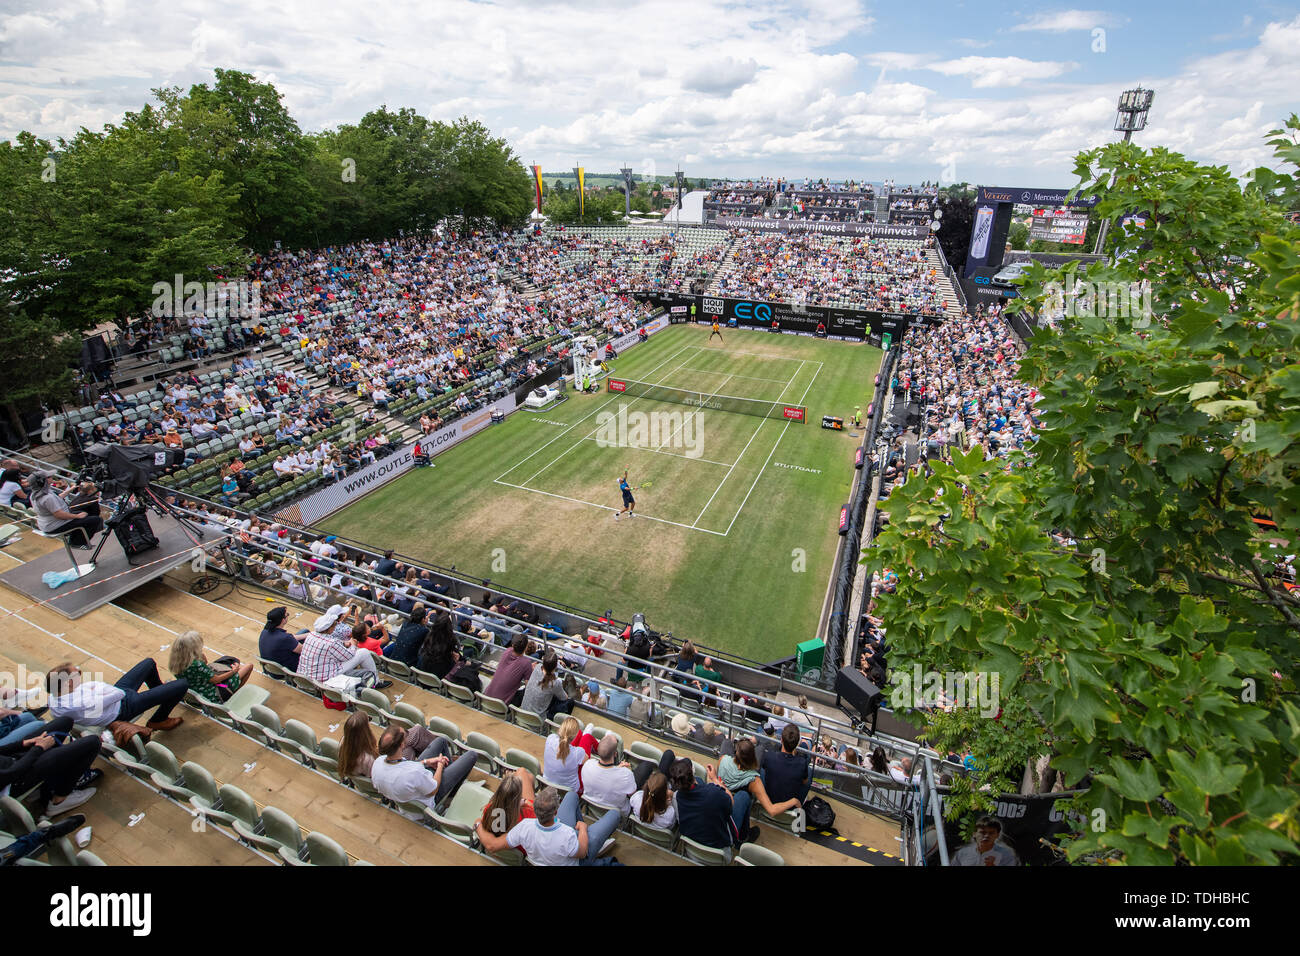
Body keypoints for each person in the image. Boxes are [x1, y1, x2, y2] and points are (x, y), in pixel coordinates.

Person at [474, 785, 620, 867]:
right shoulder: (566, 834)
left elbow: (492, 845)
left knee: (571, 796)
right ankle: (593, 847)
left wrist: (478, 825)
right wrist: (582, 828)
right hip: (578, 857)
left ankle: (592, 844)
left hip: (555, 847)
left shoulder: (524, 826)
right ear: (555, 812)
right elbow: (581, 853)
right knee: (615, 814)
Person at [46, 659, 187, 739]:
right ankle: (158, 720)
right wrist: (98, 689)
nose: (81, 676)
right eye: (78, 674)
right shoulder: (78, 704)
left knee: (149, 663)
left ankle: (161, 694)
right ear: (68, 683)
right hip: (122, 709)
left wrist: (98, 690)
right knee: (182, 684)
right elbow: (118, 694)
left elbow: (103, 690)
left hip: (113, 699)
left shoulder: (55, 697)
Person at [0, 715, 103, 819]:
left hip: (13, 759)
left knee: (65, 721)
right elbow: (11, 774)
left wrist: (24, 743)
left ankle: (49, 779)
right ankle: (59, 800)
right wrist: (39, 748)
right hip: (17, 781)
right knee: (93, 742)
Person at [369, 724, 476, 814]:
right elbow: (433, 790)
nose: (408, 734)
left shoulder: (377, 763)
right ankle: (452, 791)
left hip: (410, 789)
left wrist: (426, 762)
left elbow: (404, 766)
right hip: (429, 799)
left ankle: (451, 779)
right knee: (472, 755)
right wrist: (440, 766)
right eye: (405, 735)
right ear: (402, 745)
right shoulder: (414, 771)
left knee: (441, 741)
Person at [719, 737, 802, 840]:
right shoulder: (754, 780)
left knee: (727, 741)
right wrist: (793, 801)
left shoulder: (723, 759)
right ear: (753, 757)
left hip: (725, 800)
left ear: (736, 753)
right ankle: (744, 836)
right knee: (761, 749)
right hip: (742, 801)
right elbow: (772, 810)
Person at [670, 758, 740, 861]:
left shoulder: (676, 797)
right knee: (743, 796)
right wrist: (715, 779)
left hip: (692, 851)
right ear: (692, 773)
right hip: (719, 855)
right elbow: (731, 801)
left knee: (700, 782)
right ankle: (741, 839)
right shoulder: (714, 793)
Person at [296, 613, 388, 689]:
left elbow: (329, 642)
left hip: (305, 677)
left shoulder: (311, 635)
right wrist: (353, 645)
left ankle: (372, 680)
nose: (335, 626)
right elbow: (349, 655)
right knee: (364, 652)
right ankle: (375, 681)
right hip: (323, 678)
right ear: (329, 628)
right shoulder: (331, 643)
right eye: (334, 625)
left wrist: (344, 643)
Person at [166, 630, 253, 704]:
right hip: (213, 693)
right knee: (248, 666)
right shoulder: (196, 664)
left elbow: (205, 665)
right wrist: (234, 671)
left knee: (230, 667)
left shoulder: (175, 662)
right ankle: (233, 696)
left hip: (194, 692)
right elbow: (216, 680)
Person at [28, 472, 103, 549]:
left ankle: (75, 538)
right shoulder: (47, 497)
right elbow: (59, 515)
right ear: (43, 481)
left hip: (48, 524)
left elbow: (58, 498)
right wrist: (77, 516)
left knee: (83, 514)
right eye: (49, 477)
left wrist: (72, 488)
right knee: (95, 520)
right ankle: (77, 543)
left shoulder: (36, 494)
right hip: (56, 525)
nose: (52, 477)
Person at [478, 767, 536, 844]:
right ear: (518, 799)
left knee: (523, 774)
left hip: (502, 847)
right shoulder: (528, 814)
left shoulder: (489, 809)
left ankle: (510, 781)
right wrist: (526, 803)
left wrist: (477, 823)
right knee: (526, 774)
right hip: (519, 847)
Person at [761, 723, 812, 805]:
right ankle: (799, 803)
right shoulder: (802, 763)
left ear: (781, 740)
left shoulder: (769, 756)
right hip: (790, 805)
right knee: (808, 771)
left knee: (763, 770)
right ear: (797, 744)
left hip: (768, 800)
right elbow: (805, 782)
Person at [541, 717, 595, 792]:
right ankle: (586, 735)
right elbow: (586, 759)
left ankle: (585, 735)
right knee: (586, 739)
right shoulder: (577, 753)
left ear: (560, 729)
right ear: (574, 737)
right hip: (568, 791)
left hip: (547, 783)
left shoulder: (550, 738)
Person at [481, 632, 535, 706]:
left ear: (513, 645)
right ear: (526, 647)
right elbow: (528, 687)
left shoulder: (507, 651)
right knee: (524, 692)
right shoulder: (526, 663)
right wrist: (532, 671)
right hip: (501, 706)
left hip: (486, 698)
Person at [519, 651, 571, 722]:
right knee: (570, 701)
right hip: (537, 721)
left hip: (522, 713)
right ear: (555, 666)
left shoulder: (537, 667)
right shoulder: (555, 683)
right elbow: (564, 698)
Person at [952, 814, 1019, 866]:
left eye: (991, 833)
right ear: (974, 834)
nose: (987, 836)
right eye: (983, 832)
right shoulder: (962, 853)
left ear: (997, 835)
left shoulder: (1006, 854)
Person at [258, 606, 301, 671]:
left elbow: (290, 639)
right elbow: (304, 651)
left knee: (304, 631)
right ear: (283, 620)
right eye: (287, 615)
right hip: (288, 669)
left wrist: (308, 635)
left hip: (270, 669)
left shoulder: (264, 632)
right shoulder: (285, 638)